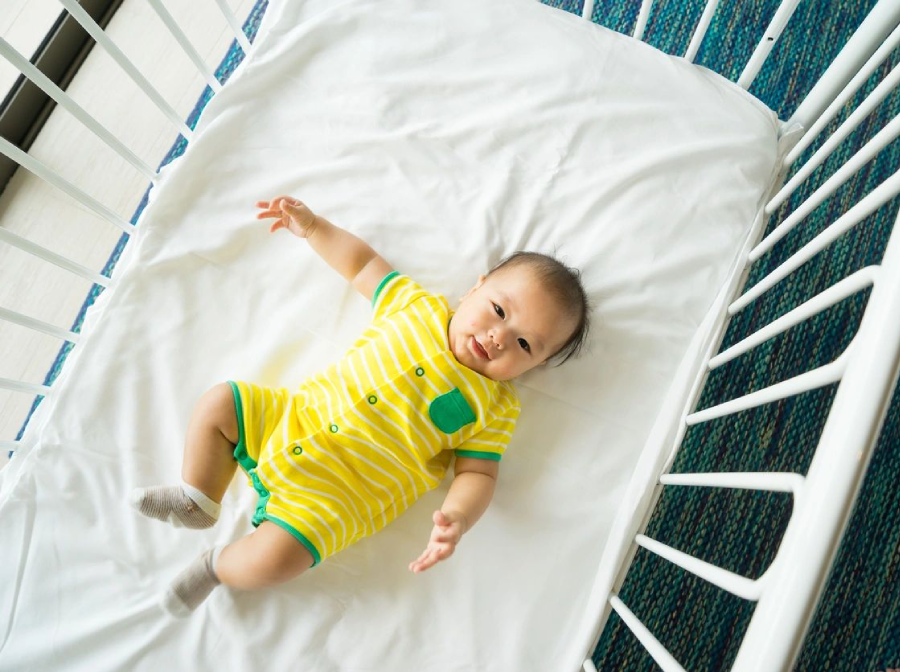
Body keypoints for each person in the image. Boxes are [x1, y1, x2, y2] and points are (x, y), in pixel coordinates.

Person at [131, 196, 590, 616]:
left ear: (537, 364)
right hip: (288, 419)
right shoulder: (415, 308)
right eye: (499, 311)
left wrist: (458, 518)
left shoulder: (494, 407)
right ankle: (198, 498)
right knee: (220, 403)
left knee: (274, 560)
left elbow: (477, 474)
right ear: (476, 287)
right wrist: (313, 228)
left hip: (335, 498)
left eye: (525, 343)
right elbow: (363, 264)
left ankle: (216, 567)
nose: (498, 337)